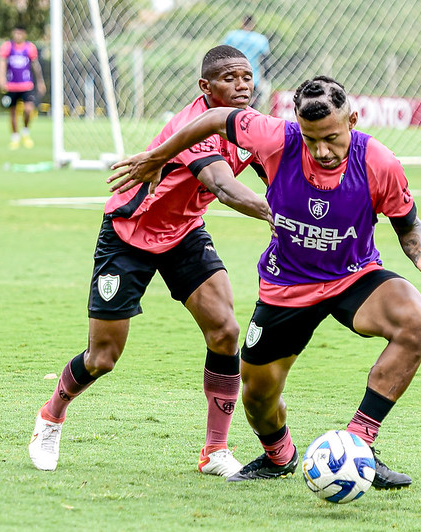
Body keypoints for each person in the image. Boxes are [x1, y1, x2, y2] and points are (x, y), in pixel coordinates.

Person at [107, 76, 421, 489]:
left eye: (332, 138)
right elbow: (216, 117)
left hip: (353, 275)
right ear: (296, 125)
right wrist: (158, 155)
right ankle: (279, 457)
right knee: (256, 396)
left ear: (353, 120)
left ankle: (360, 442)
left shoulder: (379, 162)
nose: (322, 151)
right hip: (286, 285)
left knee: (415, 319)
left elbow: (408, 224)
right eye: (312, 140)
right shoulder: (276, 137)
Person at [28, 45, 273, 478]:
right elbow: (224, 186)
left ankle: (215, 450)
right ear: (205, 86)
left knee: (225, 330)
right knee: (103, 356)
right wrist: (277, 215)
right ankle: (51, 416)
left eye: (247, 78)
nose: (242, 86)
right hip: (130, 233)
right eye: (230, 78)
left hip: (184, 234)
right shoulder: (192, 126)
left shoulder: (250, 125)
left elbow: (273, 171)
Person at [0, 25, 46, 150]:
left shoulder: (30, 48)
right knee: (12, 112)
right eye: (16, 33)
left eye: (20, 33)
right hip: (11, 85)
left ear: (24, 34)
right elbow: (2, 62)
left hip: (26, 85)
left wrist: (40, 82)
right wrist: (1, 78)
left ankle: (25, 131)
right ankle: (15, 137)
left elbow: (36, 66)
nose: (18, 36)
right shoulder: (7, 47)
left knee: (28, 109)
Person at [222, 15, 270, 111]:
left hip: (232, 76)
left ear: (242, 23)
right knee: (250, 107)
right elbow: (265, 62)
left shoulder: (232, 36)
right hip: (252, 78)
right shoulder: (260, 39)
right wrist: (265, 79)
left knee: (232, 106)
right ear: (253, 25)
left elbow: (222, 55)